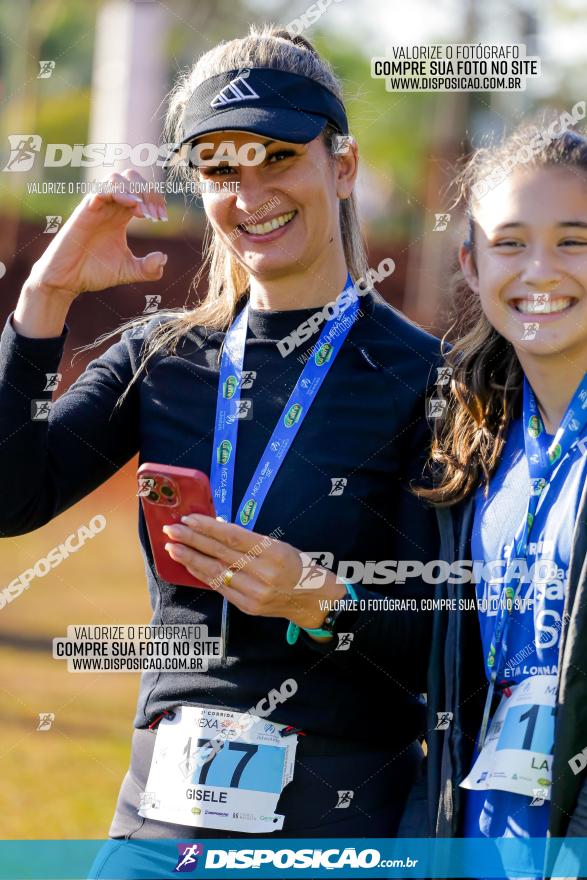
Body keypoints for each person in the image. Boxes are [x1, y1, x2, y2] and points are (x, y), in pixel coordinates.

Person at [0, 24, 441, 854]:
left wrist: (317, 598)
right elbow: (11, 499)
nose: (249, 192)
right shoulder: (159, 356)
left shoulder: (425, 378)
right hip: (157, 822)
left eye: (278, 156)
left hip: (338, 824)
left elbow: (455, 632)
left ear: (339, 166)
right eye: (219, 166)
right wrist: (44, 298)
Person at [422, 122, 587, 867]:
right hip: (482, 841)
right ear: (471, 260)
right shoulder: (470, 439)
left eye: (573, 241)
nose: (540, 271)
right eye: (511, 241)